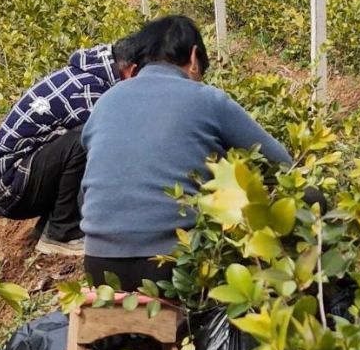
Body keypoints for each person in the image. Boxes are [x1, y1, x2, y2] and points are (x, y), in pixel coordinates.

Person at [79, 16, 293, 291]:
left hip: (100, 265)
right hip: (175, 266)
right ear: (194, 58)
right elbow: (283, 165)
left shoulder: (106, 101)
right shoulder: (207, 98)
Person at [0, 31, 149, 257]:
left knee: (86, 141)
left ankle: (53, 222)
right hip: (8, 187)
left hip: (17, 177)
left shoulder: (92, 74)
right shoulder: (90, 91)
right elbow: (119, 149)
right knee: (89, 138)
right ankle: (62, 233)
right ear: (132, 70)